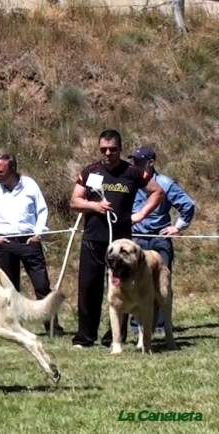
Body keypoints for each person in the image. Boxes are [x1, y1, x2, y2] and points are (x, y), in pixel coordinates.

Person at [69, 130, 165, 349]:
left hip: (122, 244)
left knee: (121, 289)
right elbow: (75, 201)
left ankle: (115, 337)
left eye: (112, 149)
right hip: (94, 240)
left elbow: (157, 192)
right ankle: (85, 338)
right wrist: (94, 205)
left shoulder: (132, 172)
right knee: (89, 288)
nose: (108, 153)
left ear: (120, 149)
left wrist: (141, 215)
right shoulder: (91, 172)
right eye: (103, 149)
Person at [0, 153, 63, 336]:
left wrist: (39, 233)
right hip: (4, 243)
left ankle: (52, 327)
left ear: (13, 169)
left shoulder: (30, 185)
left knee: (41, 285)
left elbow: (42, 211)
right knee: (9, 289)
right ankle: (13, 327)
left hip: (29, 242)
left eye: (0, 170)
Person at [128, 146, 195, 332]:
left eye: (140, 161)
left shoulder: (165, 183)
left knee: (161, 283)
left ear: (151, 162)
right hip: (136, 239)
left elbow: (187, 205)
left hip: (159, 239)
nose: (136, 165)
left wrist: (178, 227)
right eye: (134, 161)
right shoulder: (130, 182)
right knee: (135, 281)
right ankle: (137, 324)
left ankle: (161, 324)